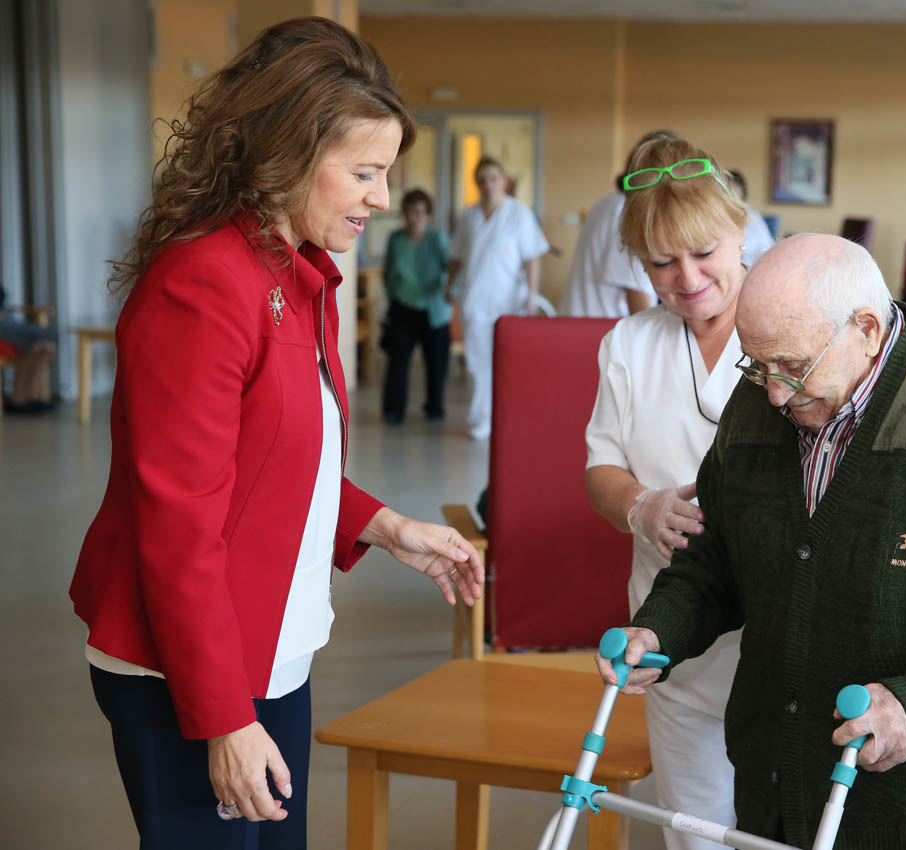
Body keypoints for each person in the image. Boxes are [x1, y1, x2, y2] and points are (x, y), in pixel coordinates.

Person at [68, 18, 485, 849]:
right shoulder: (205, 282)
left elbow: (277, 462)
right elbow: (178, 519)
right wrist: (223, 719)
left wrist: (387, 527)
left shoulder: (297, 275)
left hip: (270, 655)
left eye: (385, 174)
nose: (378, 195)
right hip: (184, 673)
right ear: (289, 154)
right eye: (364, 172)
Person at [599, 233, 906, 848]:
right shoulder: (761, 404)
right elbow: (718, 554)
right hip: (777, 787)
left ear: (864, 327)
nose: (774, 392)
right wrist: (660, 628)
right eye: (756, 365)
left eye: (792, 367)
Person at [584, 137, 748, 850]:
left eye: (705, 250)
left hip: (783, 636)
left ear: (741, 232)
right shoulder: (629, 344)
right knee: (696, 830)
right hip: (671, 633)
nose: (688, 277)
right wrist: (640, 505)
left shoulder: (792, 324)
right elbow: (601, 469)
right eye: (661, 262)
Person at [448, 156, 549, 440]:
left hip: (510, 303)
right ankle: (482, 420)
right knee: (480, 366)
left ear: (504, 181)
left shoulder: (520, 214)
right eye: (482, 179)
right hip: (475, 302)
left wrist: (531, 294)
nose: (488, 184)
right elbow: (457, 256)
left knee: (509, 363)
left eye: (493, 178)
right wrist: (449, 284)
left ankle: (508, 417)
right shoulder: (469, 216)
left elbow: (532, 259)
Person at [558, 131, 673, 319]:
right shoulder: (628, 211)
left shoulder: (607, 204)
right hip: (599, 331)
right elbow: (637, 296)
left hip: (577, 325)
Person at [380, 188, 451, 424]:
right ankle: (393, 410)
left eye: (420, 212)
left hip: (435, 310)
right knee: (398, 363)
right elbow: (388, 273)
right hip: (403, 307)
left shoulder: (437, 239)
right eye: (411, 212)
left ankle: (434, 409)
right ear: (404, 214)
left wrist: (452, 292)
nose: (415, 218)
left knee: (436, 364)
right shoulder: (396, 239)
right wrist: (393, 298)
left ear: (428, 214)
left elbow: (452, 268)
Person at [0, 289, 57, 413]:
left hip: (7, 320)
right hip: (4, 325)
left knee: (44, 347)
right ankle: (21, 399)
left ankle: (26, 397)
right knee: (45, 339)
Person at [725, 168, 777, 268]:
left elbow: (763, 248)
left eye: (733, 187)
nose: (729, 192)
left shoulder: (752, 216)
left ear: (742, 191)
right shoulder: (719, 214)